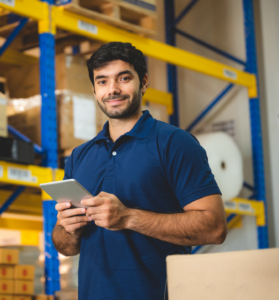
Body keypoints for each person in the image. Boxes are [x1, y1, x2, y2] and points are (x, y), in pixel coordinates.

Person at [52, 42, 227, 300]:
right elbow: (65, 246)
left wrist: (128, 217)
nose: (112, 89)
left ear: (143, 82)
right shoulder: (80, 156)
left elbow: (215, 227)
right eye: (102, 82)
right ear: (94, 89)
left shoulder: (174, 143)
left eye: (123, 78)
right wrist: (69, 228)